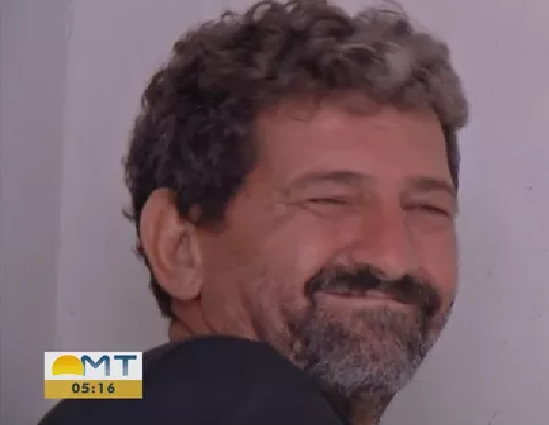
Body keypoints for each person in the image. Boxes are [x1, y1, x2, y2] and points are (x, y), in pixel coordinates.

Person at [39, 0, 468, 423]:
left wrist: (82, 379)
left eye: (428, 208)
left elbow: (93, 378)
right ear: (178, 247)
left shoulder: (122, 386)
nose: (394, 257)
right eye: (329, 200)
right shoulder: (237, 385)